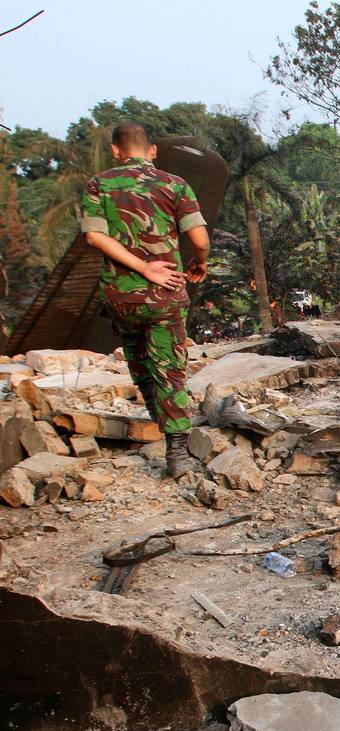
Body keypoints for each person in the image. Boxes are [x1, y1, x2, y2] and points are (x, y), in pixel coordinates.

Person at [81, 122, 209, 478]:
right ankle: (177, 452)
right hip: (164, 294)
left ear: (115, 150)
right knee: (169, 368)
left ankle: (157, 417)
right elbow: (198, 237)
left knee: (140, 361)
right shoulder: (173, 184)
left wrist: (137, 267)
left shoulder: (98, 185)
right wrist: (199, 261)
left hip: (121, 296)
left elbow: (94, 236)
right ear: (152, 151)